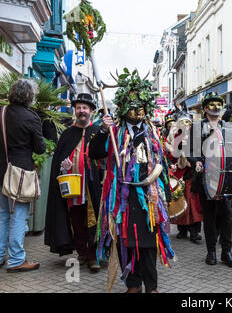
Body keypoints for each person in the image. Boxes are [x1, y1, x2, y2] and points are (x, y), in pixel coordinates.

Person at [89, 71, 174, 293]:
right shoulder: (114, 132)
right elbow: (95, 152)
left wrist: (167, 190)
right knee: (128, 242)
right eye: (133, 105)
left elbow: (161, 163)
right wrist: (103, 130)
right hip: (123, 199)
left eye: (142, 104)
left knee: (148, 244)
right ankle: (133, 285)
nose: (139, 110)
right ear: (124, 106)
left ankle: (152, 287)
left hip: (149, 197)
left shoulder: (153, 132)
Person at [44, 93, 102, 273]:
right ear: (75, 111)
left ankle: (93, 256)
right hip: (73, 186)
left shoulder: (99, 132)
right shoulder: (68, 133)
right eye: (79, 108)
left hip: (93, 186)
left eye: (85, 108)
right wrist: (63, 165)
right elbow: (59, 162)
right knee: (76, 219)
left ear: (91, 111)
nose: (82, 111)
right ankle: (82, 252)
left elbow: (105, 157)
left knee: (93, 220)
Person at [0, 79, 46, 272]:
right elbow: (40, 148)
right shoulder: (31, 117)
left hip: (1, 171)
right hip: (20, 174)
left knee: (2, 215)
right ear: (29, 96)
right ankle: (17, 259)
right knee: (19, 216)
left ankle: (1, 255)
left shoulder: (1, 112)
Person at [192, 92, 232, 268]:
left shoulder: (227, 126)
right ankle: (211, 251)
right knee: (210, 215)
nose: (216, 108)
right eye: (212, 105)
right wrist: (196, 161)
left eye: (219, 105)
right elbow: (191, 150)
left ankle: (226, 252)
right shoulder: (197, 127)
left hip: (225, 178)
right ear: (205, 108)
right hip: (207, 178)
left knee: (227, 215)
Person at [165, 110, 203, 244]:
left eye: (189, 123)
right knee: (181, 201)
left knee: (193, 203)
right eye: (184, 123)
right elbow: (171, 154)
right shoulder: (174, 137)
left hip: (192, 175)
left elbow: (198, 153)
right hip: (180, 174)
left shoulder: (195, 137)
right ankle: (182, 229)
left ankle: (194, 231)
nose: (187, 126)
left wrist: (196, 161)